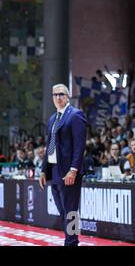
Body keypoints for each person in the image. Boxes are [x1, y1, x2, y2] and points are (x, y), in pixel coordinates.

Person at [39, 83, 87, 246]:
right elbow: (49, 146)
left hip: (68, 171)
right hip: (53, 171)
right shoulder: (53, 118)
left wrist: (73, 170)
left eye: (61, 94)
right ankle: (71, 239)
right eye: (55, 95)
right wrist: (44, 170)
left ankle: (72, 242)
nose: (58, 97)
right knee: (63, 212)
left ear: (67, 96)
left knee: (71, 211)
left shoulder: (75, 115)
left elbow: (80, 146)